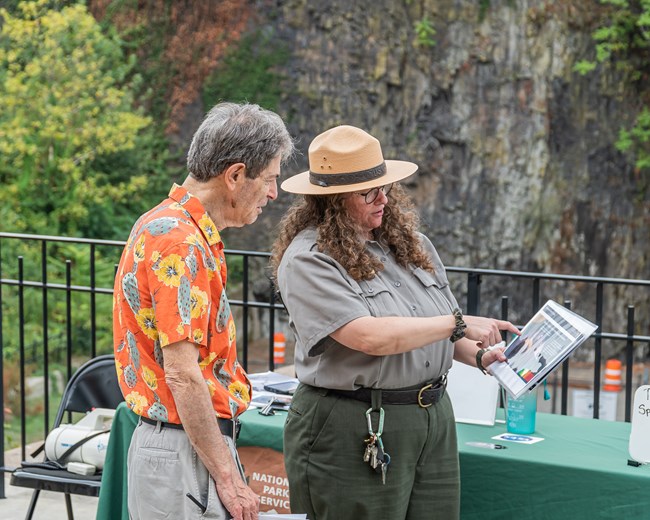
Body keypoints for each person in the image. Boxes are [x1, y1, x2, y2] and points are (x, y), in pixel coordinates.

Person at [270, 125, 519, 520]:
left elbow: (437, 331)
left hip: (432, 417)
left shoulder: (411, 244)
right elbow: (368, 337)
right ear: (334, 200)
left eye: (385, 186)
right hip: (354, 423)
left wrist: (484, 356)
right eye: (368, 192)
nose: (383, 198)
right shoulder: (308, 260)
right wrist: (456, 324)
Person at [113, 102, 295, 520]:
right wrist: (229, 480)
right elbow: (182, 373)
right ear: (234, 176)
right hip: (182, 450)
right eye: (269, 179)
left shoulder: (169, 224)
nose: (273, 193)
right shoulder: (181, 243)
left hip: (180, 446)